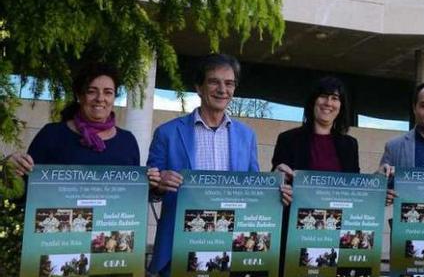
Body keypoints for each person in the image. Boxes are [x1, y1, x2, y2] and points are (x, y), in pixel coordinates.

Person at [147, 54, 291, 276]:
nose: (222, 89)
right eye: (214, 82)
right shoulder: (167, 133)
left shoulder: (247, 136)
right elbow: (150, 188)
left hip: (231, 246)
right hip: (179, 247)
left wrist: (275, 187)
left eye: (229, 83)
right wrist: (159, 182)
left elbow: (253, 190)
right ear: (199, 87)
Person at [7, 63, 159, 186]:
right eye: (92, 91)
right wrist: (11, 171)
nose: (100, 98)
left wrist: (151, 185)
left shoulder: (127, 141)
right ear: (79, 96)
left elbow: (130, 195)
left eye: (108, 92)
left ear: (114, 97)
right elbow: (25, 188)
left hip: (112, 222)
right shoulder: (51, 135)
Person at [272, 76, 359, 275]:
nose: (329, 103)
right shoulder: (288, 139)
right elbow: (277, 186)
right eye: (323, 96)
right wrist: (277, 179)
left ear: (341, 105)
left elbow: (354, 187)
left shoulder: (349, 145)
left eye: (335, 98)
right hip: (297, 235)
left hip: (336, 233)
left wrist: (377, 182)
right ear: (313, 101)